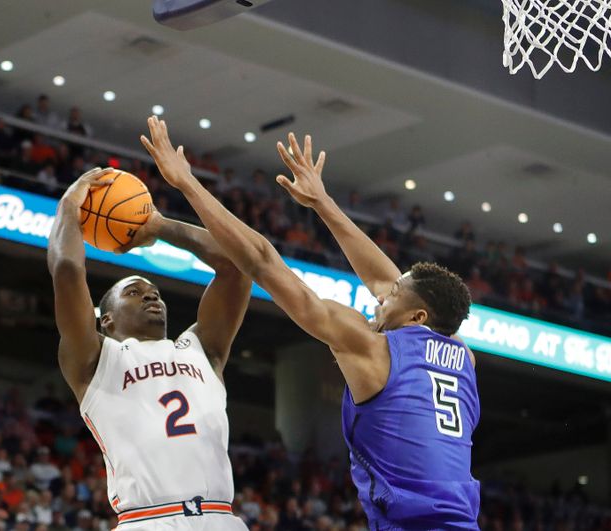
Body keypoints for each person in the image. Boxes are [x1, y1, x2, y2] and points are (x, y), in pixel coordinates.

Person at [141, 118, 480, 530]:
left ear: (417, 317)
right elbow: (386, 280)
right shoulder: (463, 356)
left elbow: (263, 262)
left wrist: (186, 185)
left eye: (390, 298)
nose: (379, 299)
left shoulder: (371, 348)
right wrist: (322, 203)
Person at [47, 167, 251, 529]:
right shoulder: (96, 359)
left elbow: (237, 266)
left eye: (153, 291)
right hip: (149, 520)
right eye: (133, 292)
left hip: (221, 519)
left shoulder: (200, 348)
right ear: (106, 320)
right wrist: (68, 207)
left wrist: (158, 225)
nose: (150, 295)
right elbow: (66, 270)